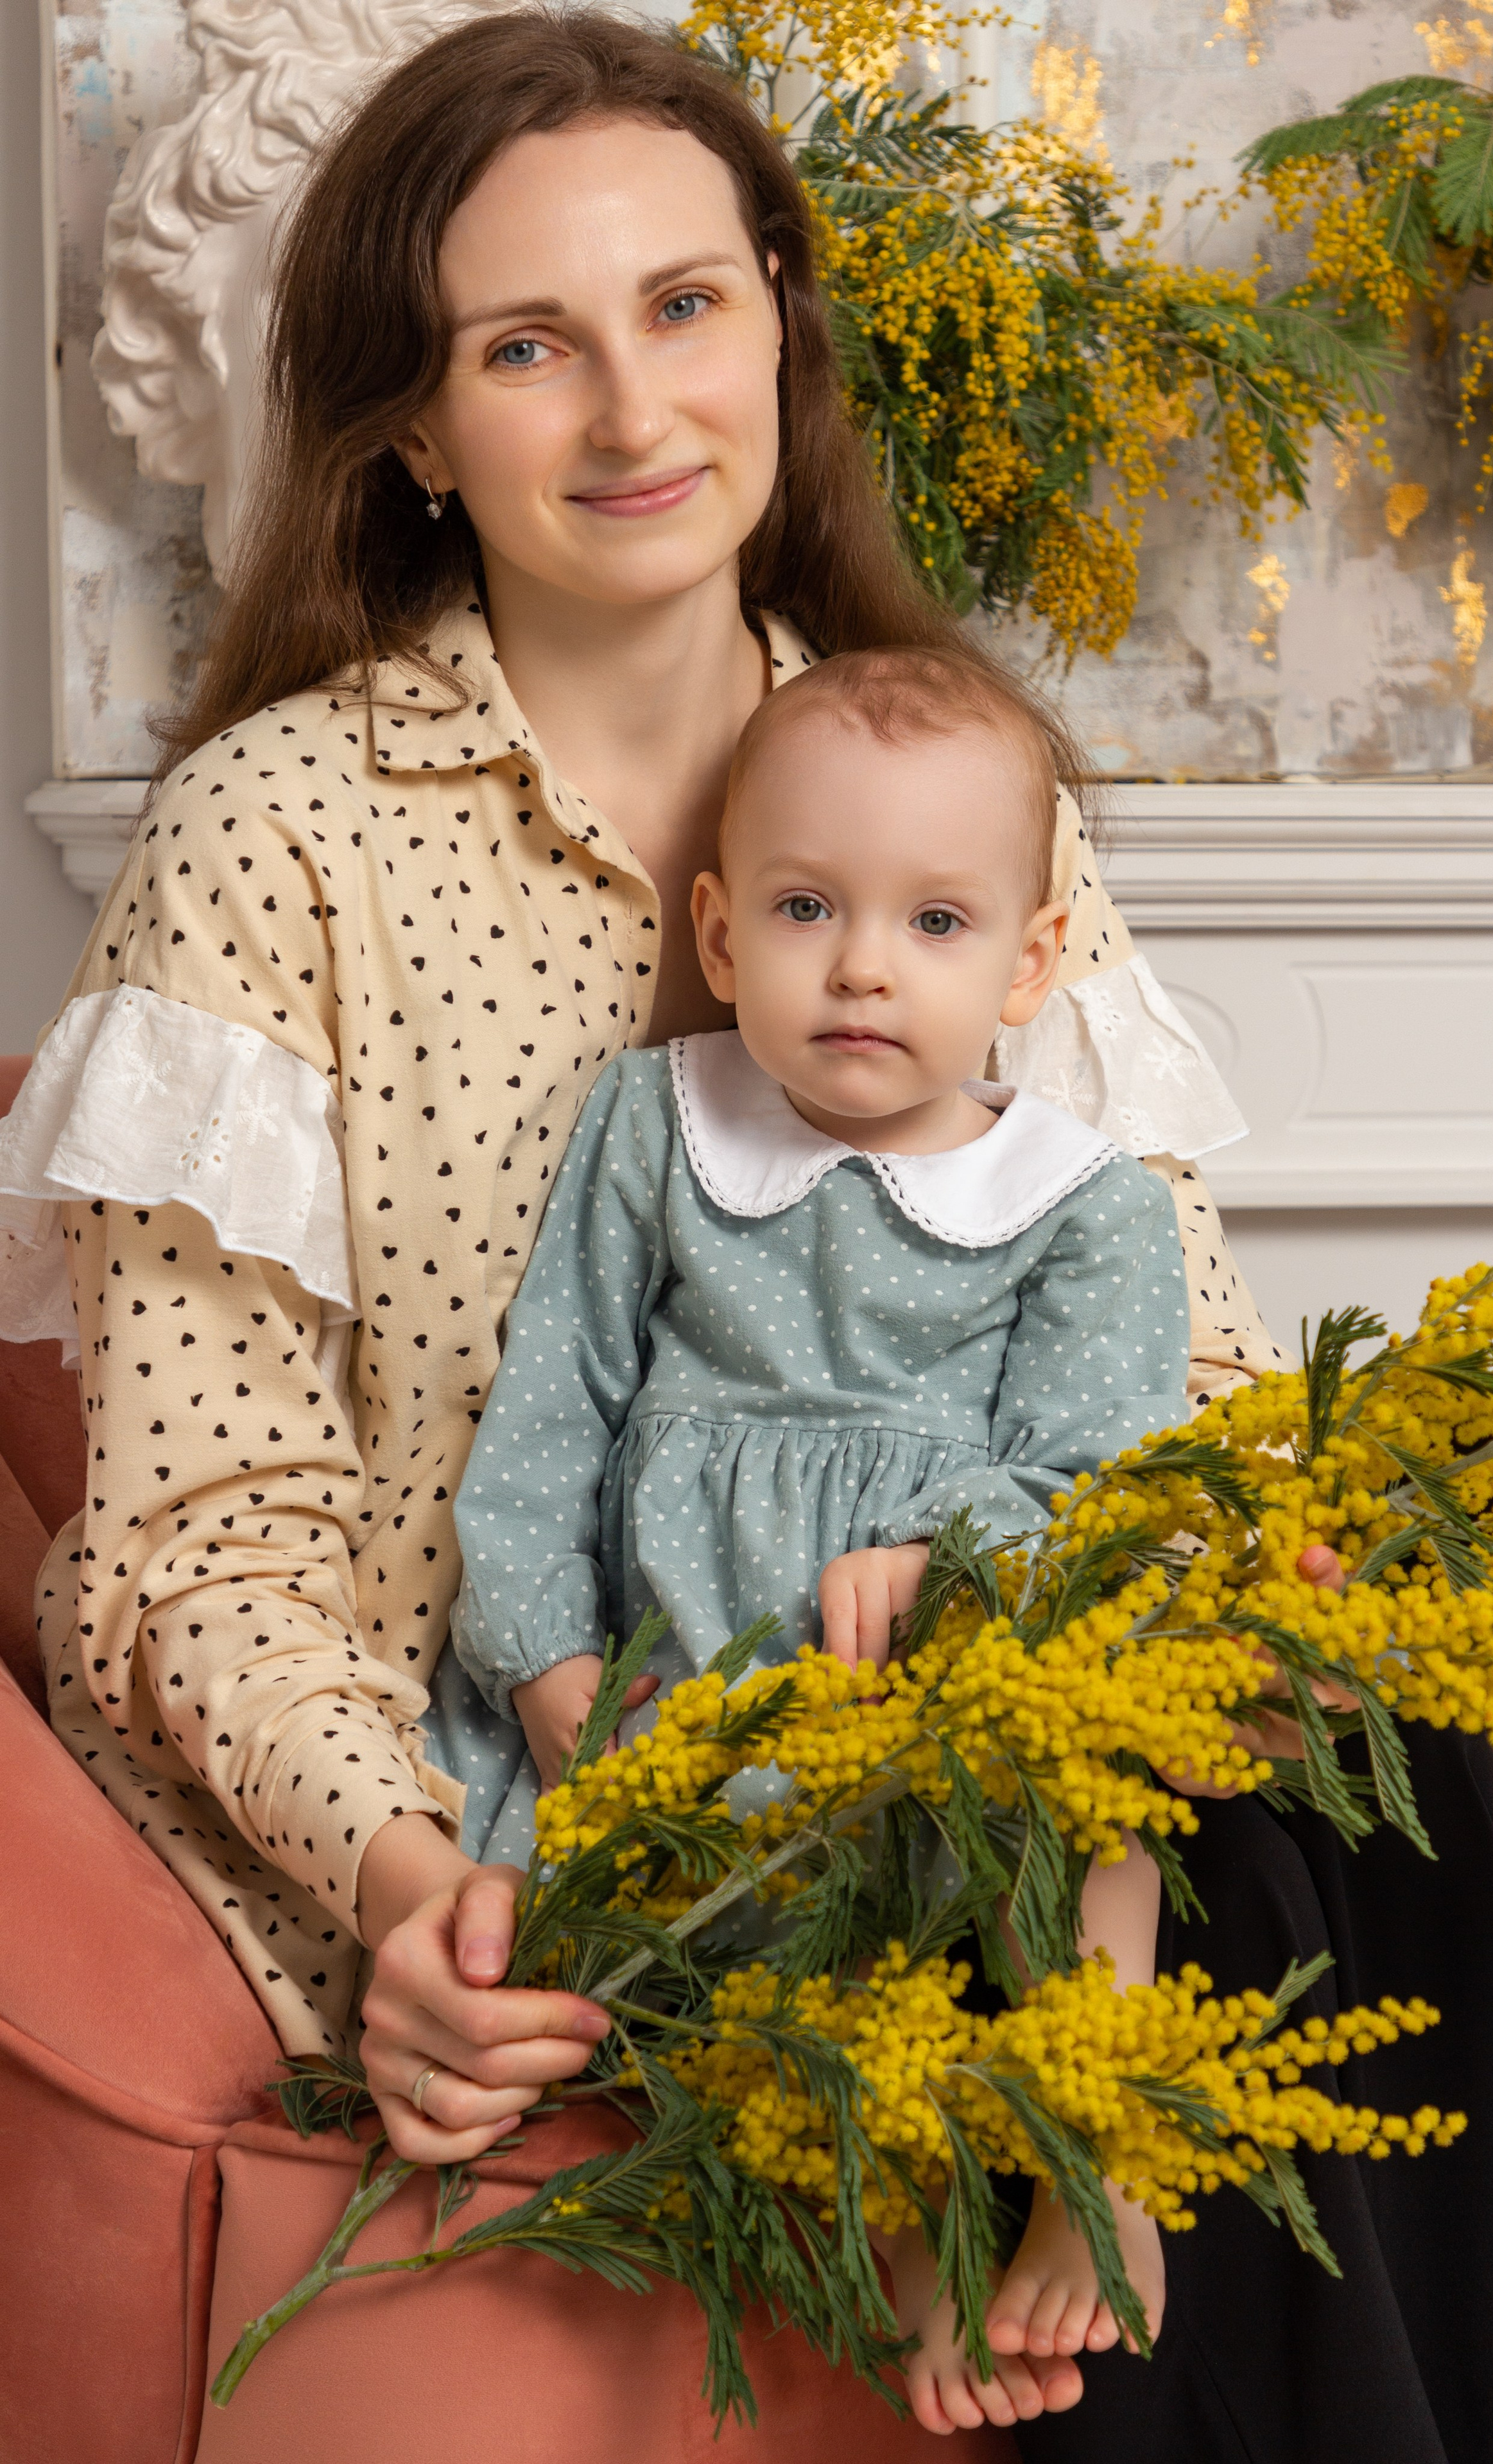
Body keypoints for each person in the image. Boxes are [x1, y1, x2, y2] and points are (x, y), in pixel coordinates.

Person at [2, 7, 1493, 2458]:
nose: (638, 411)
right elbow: (203, 1542)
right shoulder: (285, 842)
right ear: (419, 431)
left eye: (688, 305)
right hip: (593, 1789)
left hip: (960, 1697)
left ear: (782, 318)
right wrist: (412, 1882)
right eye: (527, 345)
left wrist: (1176, 1626)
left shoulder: (953, 785)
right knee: (1264, 1888)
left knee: (1440, 1675)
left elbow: (1164, 1369)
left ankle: (1128, 2187)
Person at [448, 641, 1178, 2435]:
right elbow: (544, 1433)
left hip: (943, 1695)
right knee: (746, 1965)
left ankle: (1113, 2153)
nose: (861, 964)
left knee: (1099, 1802)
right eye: (803, 907)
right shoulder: (655, 1128)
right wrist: (565, 1706)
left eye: (935, 924)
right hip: (681, 1704)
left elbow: (1107, 1480)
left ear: (1028, 961)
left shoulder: (1087, 1206)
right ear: (716, 936)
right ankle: (911, 2220)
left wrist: (958, 1550)